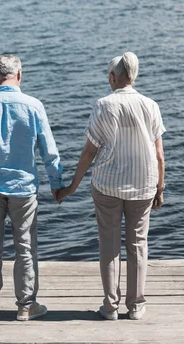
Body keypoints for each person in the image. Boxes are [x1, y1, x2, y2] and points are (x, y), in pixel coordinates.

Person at [57, 52, 166, 321]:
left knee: (109, 243)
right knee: (138, 244)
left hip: (107, 184)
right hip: (143, 184)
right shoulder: (150, 105)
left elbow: (89, 152)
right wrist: (160, 187)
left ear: (113, 77)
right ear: (134, 76)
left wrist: (71, 187)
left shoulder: (103, 105)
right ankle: (137, 306)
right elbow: (159, 154)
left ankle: (110, 307)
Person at [0, 54, 64, 321]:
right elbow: (49, 151)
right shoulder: (33, 105)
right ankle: (26, 306)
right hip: (24, 187)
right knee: (26, 247)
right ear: (19, 73)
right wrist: (56, 182)